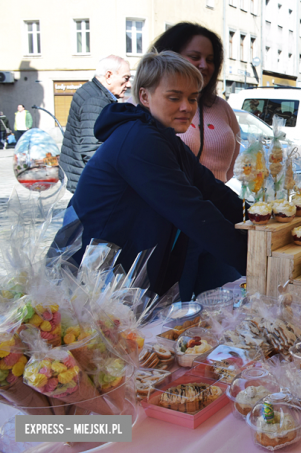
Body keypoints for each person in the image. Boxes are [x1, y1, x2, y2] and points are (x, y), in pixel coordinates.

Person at [62, 51, 247, 296]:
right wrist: (253, 258)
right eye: (174, 97)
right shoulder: (139, 139)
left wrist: (261, 217)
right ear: (144, 96)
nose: (186, 107)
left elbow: (210, 189)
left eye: (193, 99)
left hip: (123, 270)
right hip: (95, 274)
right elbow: (191, 210)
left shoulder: (165, 137)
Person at [151, 23, 240, 183]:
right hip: (172, 204)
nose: (204, 65)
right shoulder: (148, 105)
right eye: (194, 57)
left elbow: (235, 164)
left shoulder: (222, 107)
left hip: (216, 203)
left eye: (210, 60)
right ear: (170, 57)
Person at [60, 55, 131, 193]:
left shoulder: (90, 90)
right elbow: (93, 150)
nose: (128, 84)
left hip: (79, 176)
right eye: (126, 78)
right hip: (88, 182)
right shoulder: (96, 100)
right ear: (109, 76)